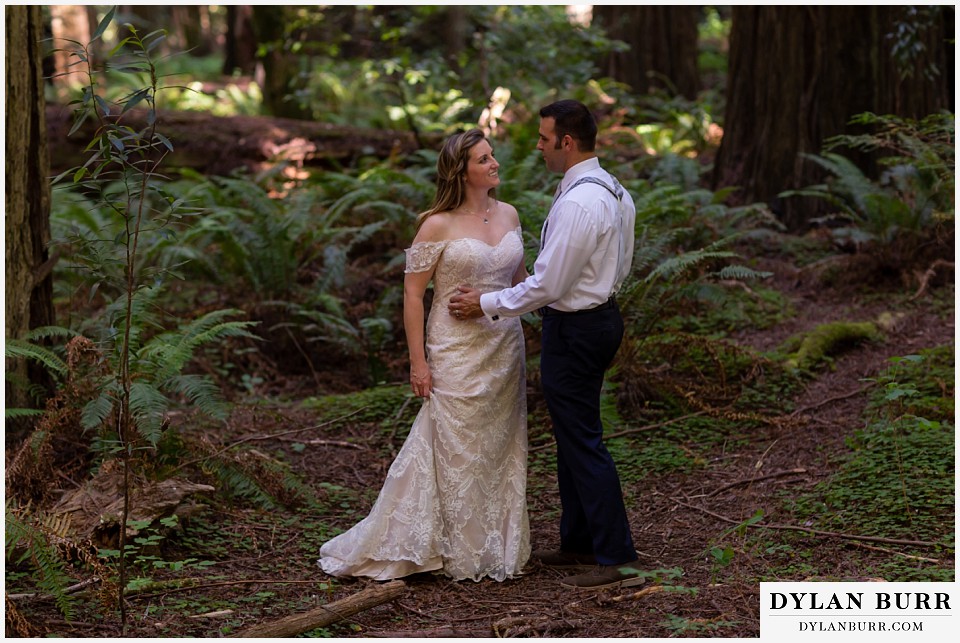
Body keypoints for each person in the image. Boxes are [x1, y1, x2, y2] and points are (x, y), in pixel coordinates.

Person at [318, 129, 531, 582]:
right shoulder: (437, 224)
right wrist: (419, 362)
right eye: (484, 159)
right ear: (462, 171)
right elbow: (413, 296)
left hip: (504, 344)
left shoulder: (510, 214)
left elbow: (523, 281)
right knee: (455, 443)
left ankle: (495, 544)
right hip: (454, 344)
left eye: (492, 156)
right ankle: (449, 546)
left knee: (499, 444)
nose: (495, 163)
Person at [448, 100, 641, 590]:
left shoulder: (582, 201)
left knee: (582, 438)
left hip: (577, 328)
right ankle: (579, 542)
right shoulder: (614, 190)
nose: (537, 146)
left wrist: (487, 303)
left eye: (542, 137)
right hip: (596, 319)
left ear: (566, 142)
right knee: (572, 435)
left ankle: (616, 555)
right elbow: (617, 263)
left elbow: (549, 283)